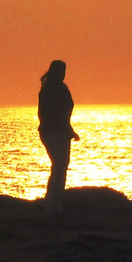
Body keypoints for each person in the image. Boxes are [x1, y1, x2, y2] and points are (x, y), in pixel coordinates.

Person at [37, 59, 79, 212]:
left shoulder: (46, 89)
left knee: (57, 167)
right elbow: (59, 114)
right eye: (62, 71)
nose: (63, 74)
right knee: (60, 167)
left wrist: (69, 130)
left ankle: (49, 201)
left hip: (50, 132)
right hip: (57, 133)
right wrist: (67, 130)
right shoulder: (57, 89)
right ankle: (53, 204)